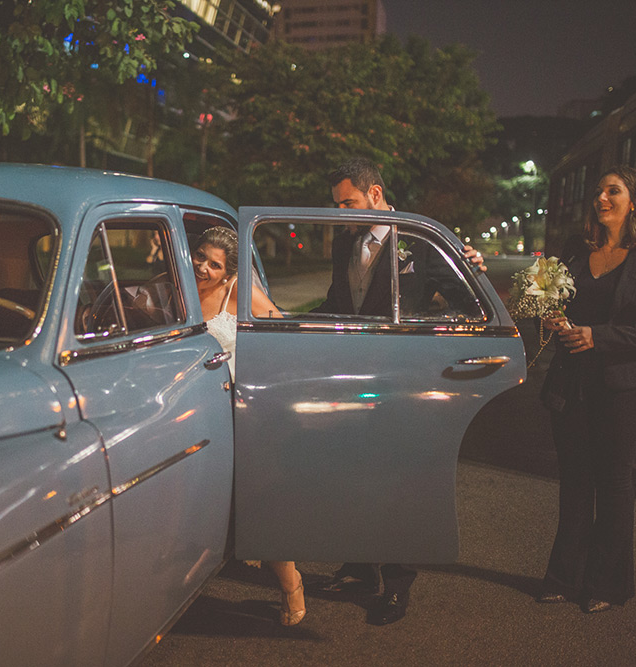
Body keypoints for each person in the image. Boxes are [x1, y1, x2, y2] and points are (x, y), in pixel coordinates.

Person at [311, 157, 486, 626]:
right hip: (353, 374)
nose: (342, 212)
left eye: (347, 202)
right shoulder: (344, 239)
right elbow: (337, 300)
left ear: (375, 193)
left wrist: (431, 341)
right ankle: (359, 566)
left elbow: (466, 302)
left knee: (396, 479)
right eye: (337, 205)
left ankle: (396, 581)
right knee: (352, 470)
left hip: (404, 376)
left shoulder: (422, 240)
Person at [538, 165, 636, 613]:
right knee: (574, 480)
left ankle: (607, 585)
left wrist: (598, 336)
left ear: (635, 201)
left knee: (612, 481)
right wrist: (551, 319)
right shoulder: (576, 250)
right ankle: (562, 577)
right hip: (573, 380)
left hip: (626, 386)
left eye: (614, 191)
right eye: (598, 191)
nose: (602, 198)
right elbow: (554, 301)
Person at [192, 226, 306, 626]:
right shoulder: (180, 286)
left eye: (214, 263)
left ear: (229, 272)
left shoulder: (238, 292)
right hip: (192, 409)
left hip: (237, 409)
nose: (203, 267)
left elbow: (284, 335)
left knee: (255, 503)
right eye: (200, 256)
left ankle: (291, 584)